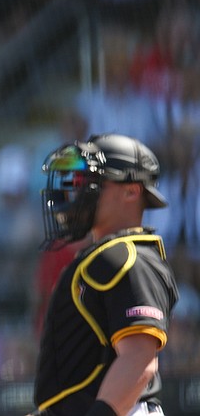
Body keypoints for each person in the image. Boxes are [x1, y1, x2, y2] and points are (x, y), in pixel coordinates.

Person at [30, 133, 179, 416]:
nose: (77, 192)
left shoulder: (128, 257)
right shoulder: (105, 256)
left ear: (131, 191)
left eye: (90, 182)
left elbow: (139, 360)